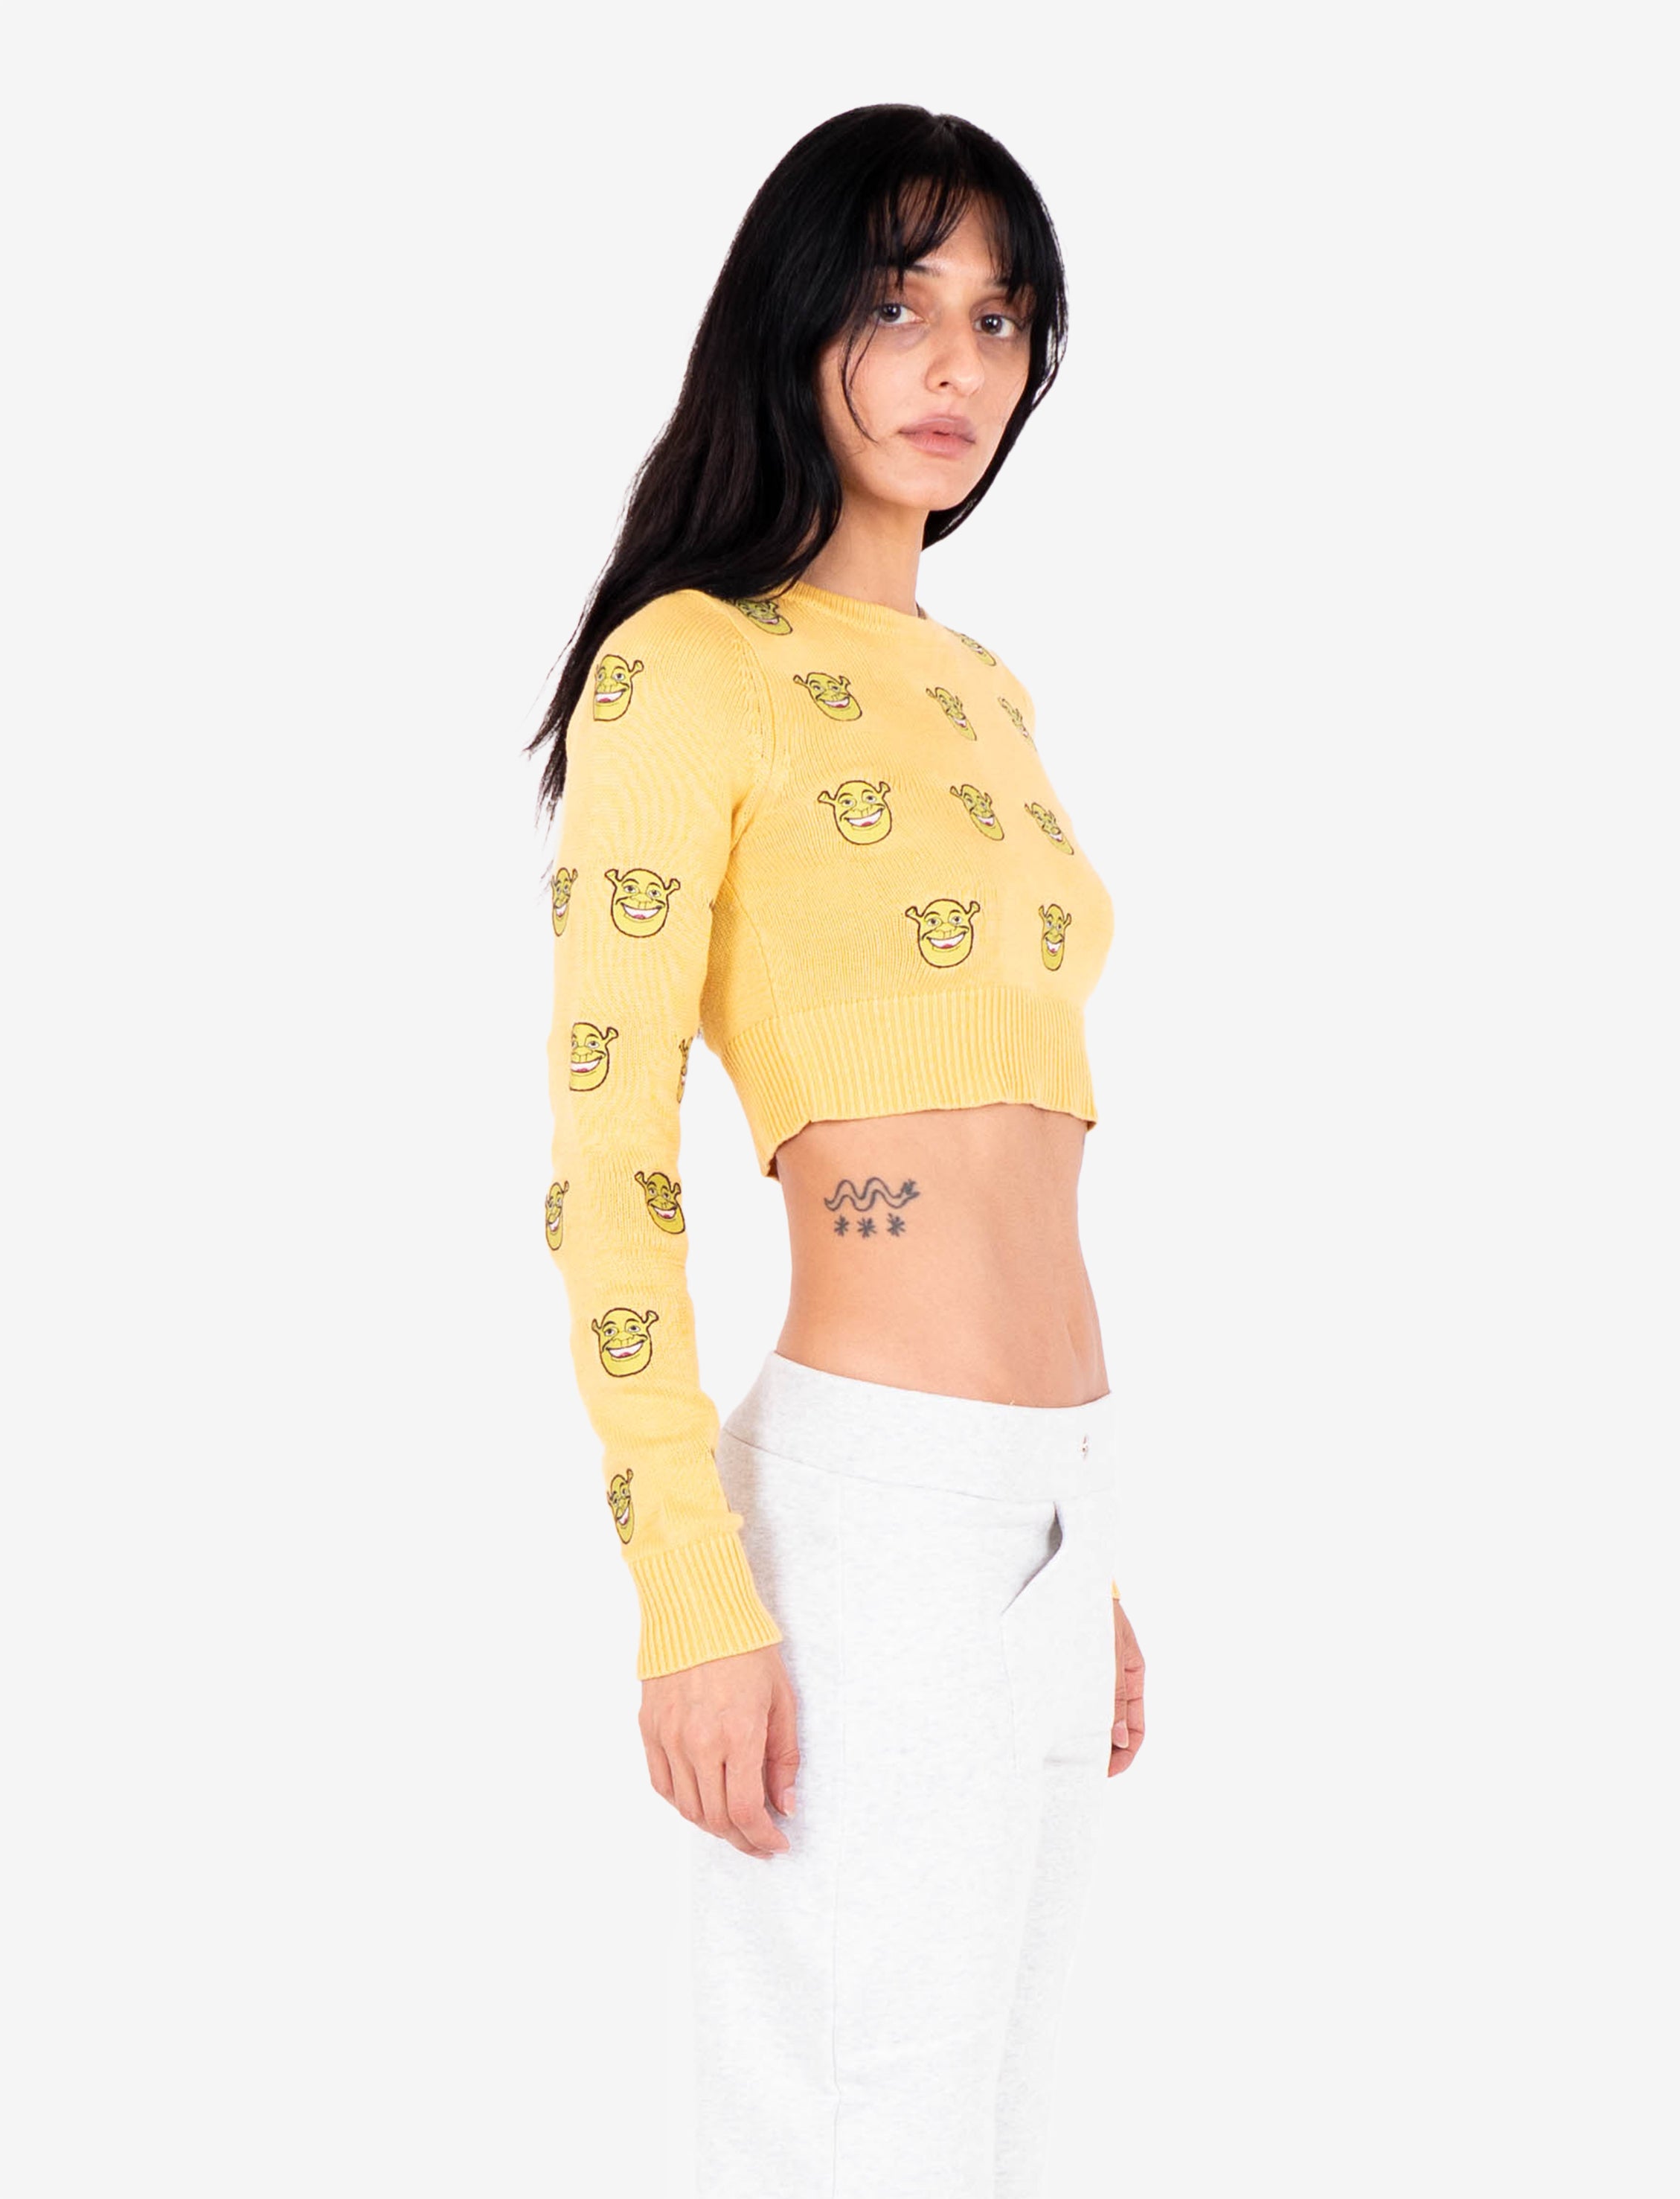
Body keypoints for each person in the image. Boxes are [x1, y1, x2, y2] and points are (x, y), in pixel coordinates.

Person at [530, 103, 1147, 2199]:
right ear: (791, 321)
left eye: (1003, 317)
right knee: (856, 2144)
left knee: (1003, 2141)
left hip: (1044, 1502)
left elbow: (1018, 1151)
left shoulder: (987, 692)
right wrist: (687, 1583)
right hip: (867, 1510)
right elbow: (604, 1155)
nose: (961, 363)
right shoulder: (690, 665)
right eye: (900, 303)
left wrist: (1076, 1543)